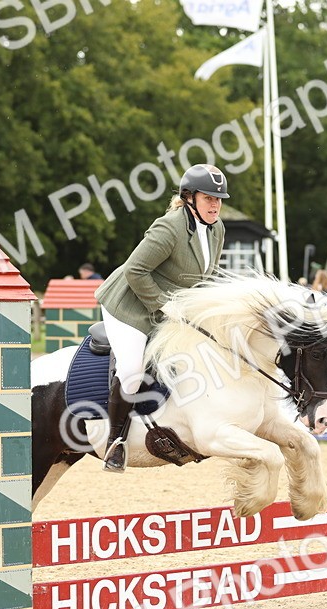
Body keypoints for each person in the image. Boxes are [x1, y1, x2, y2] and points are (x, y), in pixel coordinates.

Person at [92, 163, 228, 472]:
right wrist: (163, 305)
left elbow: (207, 277)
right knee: (132, 370)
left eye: (219, 199)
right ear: (189, 198)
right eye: (209, 198)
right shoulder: (169, 228)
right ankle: (115, 443)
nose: (215, 205)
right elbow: (134, 270)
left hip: (170, 305)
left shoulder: (217, 229)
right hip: (128, 305)